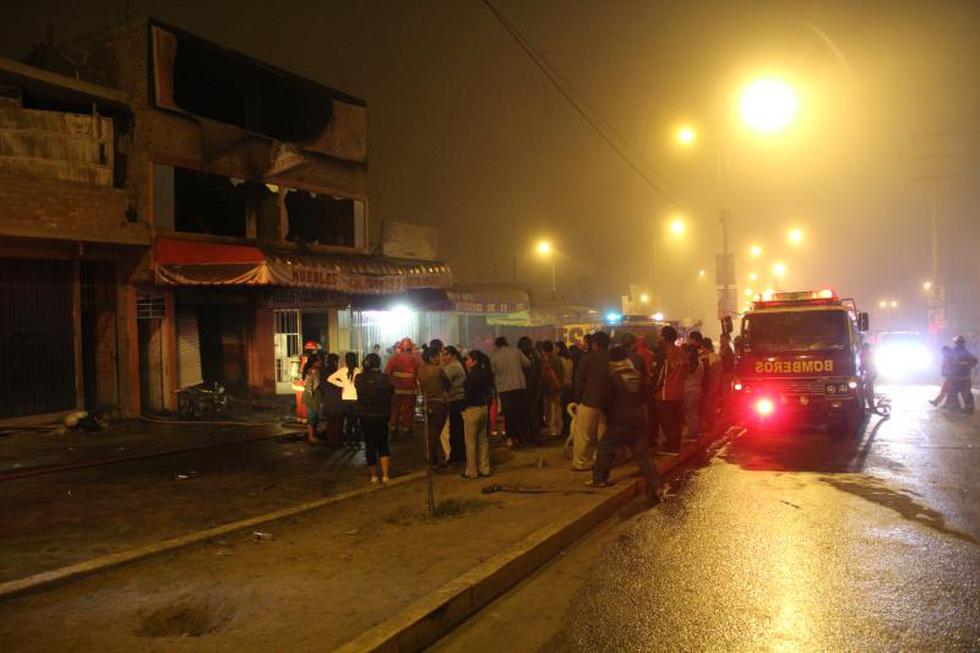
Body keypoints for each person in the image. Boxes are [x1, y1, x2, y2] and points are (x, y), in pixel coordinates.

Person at [590, 346, 661, 503]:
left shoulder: (612, 376)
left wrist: (608, 416)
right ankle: (654, 485)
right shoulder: (637, 374)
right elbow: (646, 397)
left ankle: (600, 478)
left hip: (619, 420)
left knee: (604, 448)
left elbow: (605, 400)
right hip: (639, 420)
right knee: (642, 455)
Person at [572, 330, 611, 471]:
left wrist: (578, 399)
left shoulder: (587, 358)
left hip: (588, 400)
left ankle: (579, 462)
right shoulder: (612, 358)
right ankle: (599, 460)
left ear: (594, 344)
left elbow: (579, 380)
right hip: (607, 403)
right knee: (603, 435)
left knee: (583, 435)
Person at [355, 353, 394, 484]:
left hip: (365, 416)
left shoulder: (359, 378)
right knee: (383, 444)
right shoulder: (385, 378)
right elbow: (391, 391)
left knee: (369, 445)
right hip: (381, 415)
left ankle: (373, 476)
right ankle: (385, 475)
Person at [491, 337, 531, 448]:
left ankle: (510, 438)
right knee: (519, 412)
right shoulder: (516, 351)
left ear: (497, 345)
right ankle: (519, 437)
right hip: (519, 386)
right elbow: (527, 363)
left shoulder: (495, 356)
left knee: (508, 414)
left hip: (504, 389)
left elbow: (492, 371)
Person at [654, 325, 686, 455]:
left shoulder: (665, 354)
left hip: (665, 393)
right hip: (679, 392)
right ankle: (675, 443)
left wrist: (654, 389)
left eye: (660, 335)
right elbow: (686, 372)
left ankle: (672, 447)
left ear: (664, 338)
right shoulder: (681, 352)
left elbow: (659, 375)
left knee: (667, 421)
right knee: (676, 420)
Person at [462, 349, 494, 479]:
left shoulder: (471, 376)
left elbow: (468, 395)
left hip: (472, 409)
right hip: (483, 408)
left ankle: (472, 471)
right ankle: (485, 468)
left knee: (470, 442)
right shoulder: (486, 374)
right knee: (483, 440)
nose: (466, 362)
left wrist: (463, 408)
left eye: (468, 359)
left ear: (474, 361)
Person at [417, 347, 451, 466]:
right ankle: (431, 459)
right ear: (431, 358)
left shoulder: (420, 370)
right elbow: (448, 384)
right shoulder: (438, 370)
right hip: (439, 403)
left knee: (429, 432)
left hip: (426, 403)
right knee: (436, 433)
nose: (439, 358)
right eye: (437, 356)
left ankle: (432, 457)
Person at [386, 338, 420, 438]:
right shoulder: (415, 358)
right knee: (408, 409)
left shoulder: (393, 358)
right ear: (411, 348)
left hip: (396, 388)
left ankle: (393, 427)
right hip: (410, 388)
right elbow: (420, 373)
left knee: (395, 408)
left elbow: (388, 372)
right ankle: (406, 428)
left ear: (400, 348)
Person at [328, 352, 362, 449]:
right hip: (355, 398)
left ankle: (349, 442)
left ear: (346, 360)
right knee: (356, 422)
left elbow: (330, 379)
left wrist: (342, 385)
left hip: (345, 399)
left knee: (348, 422)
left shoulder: (342, 370)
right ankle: (357, 442)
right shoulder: (358, 370)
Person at [442, 346, 468, 464]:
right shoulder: (455, 365)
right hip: (457, 400)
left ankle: (457, 456)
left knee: (456, 430)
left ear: (453, 355)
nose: (444, 357)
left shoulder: (454, 366)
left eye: (446, 354)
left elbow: (441, 378)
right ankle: (459, 455)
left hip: (457, 400)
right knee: (457, 429)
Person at [518, 337, 544, 443]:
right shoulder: (536, 355)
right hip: (532, 387)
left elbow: (535, 372)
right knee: (533, 413)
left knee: (528, 413)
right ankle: (533, 435)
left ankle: (529, 435)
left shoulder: (527, 356)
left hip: (527, 388)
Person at [946, 336, 977, 414]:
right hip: (964, 377)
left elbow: (949, 362)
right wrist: (969, 366)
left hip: (957, 377)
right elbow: (974, 361)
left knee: (953, 391)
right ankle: (967, 408)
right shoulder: (965, 352)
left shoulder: (955, 352)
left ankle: (955, 407)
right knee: (964, 392)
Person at [682, 330, 704, 440]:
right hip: (697, 390)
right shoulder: (700, 363)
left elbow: (684, 376)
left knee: (690, 412)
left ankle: (693, 433)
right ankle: (695, 431)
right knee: (694, 412)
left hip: (689, 391)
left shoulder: (689, 365)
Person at [539, 341, 563, 437]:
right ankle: (559, 429)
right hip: (558, 386)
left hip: (550, 387)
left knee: (551, 409)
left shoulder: (546, 360)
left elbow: (548, 373)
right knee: (558, 408)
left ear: (543, 349)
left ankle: (553, 429)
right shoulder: (558, 359)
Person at [700, 338, 723, 434]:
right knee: (712, 407)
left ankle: (708, 426)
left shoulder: (707, 358)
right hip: (716, 385)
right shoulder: (717, 357)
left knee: (708, 406)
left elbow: (705, 374)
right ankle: (711, 425)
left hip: (709, 386)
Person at [321, 353, 344, 446]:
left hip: (327, 399)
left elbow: (321, 386)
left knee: (330, 422)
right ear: (335, 361)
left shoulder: (323, 372)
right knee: (338, 422)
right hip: (337, 400)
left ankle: (330, 441)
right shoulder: (337, 372)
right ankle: (337, 441)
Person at [301, 355, 324, 445]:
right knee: (312, 416)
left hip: (314, 396)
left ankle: (312, 434)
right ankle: (311, 436)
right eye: (318, 361)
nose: (320, 362)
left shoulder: (313, 371)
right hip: (311, 396)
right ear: (314, 362)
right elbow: (311, 386)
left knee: (315, 416)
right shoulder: (312, 372)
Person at [556, 341, 575, 437]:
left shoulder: (560, 360)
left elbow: (560, 374)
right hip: (570, 385)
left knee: (563, 409)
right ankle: (568, 429)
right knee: (567, 409)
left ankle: (564, 430)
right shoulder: (570, 360)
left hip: (563, 386)